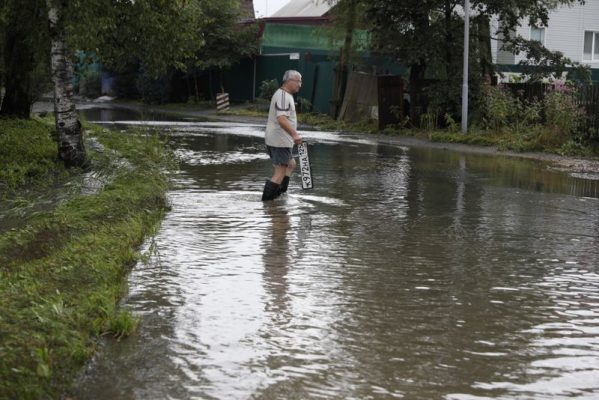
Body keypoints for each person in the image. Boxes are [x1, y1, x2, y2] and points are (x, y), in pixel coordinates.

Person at [261, 70, 303, 201]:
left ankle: (280, 194)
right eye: (298, 81)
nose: (300, 85)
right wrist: (295, 134)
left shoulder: (285, 95)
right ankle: (267, 203)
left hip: (281, 140)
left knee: (291, 164)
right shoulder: (283, 96)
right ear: (288, 81)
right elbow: (282, 119)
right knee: (279, 173)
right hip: (279, 141)